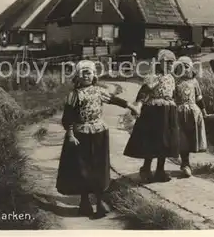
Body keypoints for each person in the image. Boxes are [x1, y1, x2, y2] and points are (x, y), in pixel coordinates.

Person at [56, 60, 138, 219]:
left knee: (99, 167)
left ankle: (100, 201)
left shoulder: (100, 91)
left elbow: (115, 100)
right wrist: (71, 134)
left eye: (89, 72)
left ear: (94, 75)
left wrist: (131, 106)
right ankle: (84, 202)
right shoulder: (74, 95)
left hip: (99, 132)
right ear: (77, 77)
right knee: (83, 168)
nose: (86, 75)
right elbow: (68, 118)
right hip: (81, 134)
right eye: (83, 73)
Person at [123, 49, 180, 183]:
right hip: (154, 111)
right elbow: (144, 92)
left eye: (172, 63)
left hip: (168, 111)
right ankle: (146, 168)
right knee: (152, 140)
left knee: (165, 141)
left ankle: (160, 170)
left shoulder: (171, 78)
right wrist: (138, 105)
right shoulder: (154, 76)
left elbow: (174, 94)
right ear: (160, 63)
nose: (169, 65)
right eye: (167, 62)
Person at [173, 56, 207, 178]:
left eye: (187, 67)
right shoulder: (176, 82)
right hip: (179, 112)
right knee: (182, 138)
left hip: (193, 113)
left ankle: (187, 162)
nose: (184, 70)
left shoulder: (194, 82)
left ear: (191, 68)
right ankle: (185, 163)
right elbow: (172, 97)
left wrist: (204, 111)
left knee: (191, 136)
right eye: (181, 67)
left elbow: (199, 98)